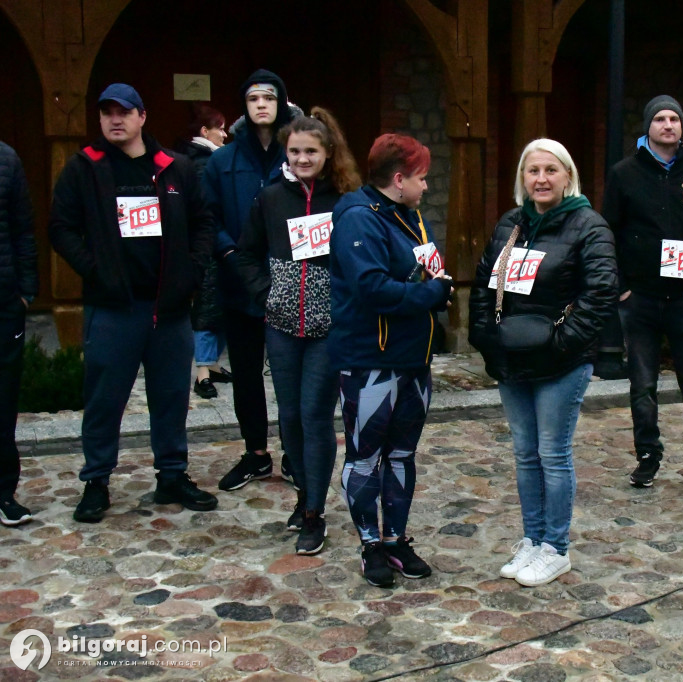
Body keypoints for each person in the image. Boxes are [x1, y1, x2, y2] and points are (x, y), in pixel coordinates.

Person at [48, 83, 218, 523]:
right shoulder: (84, 168)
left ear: (142, 116)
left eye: (123, 111)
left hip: (169, 309)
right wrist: (95, 269)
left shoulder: (175, 168)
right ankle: (97, 480)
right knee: (105, 399)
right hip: (113, 309)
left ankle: (172, 475)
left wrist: (192, 272)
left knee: (170, 397)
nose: (114, 120)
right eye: (106, 113)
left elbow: (203, 223)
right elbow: (61, 227)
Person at [469, 138, 618, 586]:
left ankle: (556, 547)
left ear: (567, 176)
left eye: (550, 170)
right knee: (524, 454)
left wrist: (561, 345)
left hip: (560, 362)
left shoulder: (589, 227)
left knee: (553, 454)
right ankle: (532, 539)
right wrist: (487, 340)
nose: (541, 179)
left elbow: (601, 294)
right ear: (522, 178)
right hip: (512, 359)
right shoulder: (510, 225)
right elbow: (483, 284)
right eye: (533, 171)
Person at [236, 108, 361, 555]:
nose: (303, 159)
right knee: (288, 416)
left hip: (330, 327)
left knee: (314, 415)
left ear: (328, 154)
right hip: (282, 324)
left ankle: (314, 511)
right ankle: (303, 495)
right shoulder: (270, 198)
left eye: (311, 151)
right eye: (295, 151)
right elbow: (244, 252)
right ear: (285, 155)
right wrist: (266, 292)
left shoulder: (347, 200)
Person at [330, 133, 451, 587]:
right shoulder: (358, 219)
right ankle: (369, 545)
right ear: (399, 180)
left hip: (413, 360)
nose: (426, 187)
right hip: (369, 361)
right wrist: (433, 292)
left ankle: (396, 539)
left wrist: (433, 287)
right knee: (365, 458)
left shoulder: (412, 218)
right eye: (422, 178)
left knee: (402, 454)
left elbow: (431, 271)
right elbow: (373, 289)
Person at [603, 95, 683, 499]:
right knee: (642, 385)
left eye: (674, 117)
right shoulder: (624, 174)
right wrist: (621, 285)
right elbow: (609, 233)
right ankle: (648, 457)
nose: (668, 124)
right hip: (639, 299)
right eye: (660, 118)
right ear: (648, 126)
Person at [204, 70, 294, 489]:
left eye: (269, 97)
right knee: (245, 374)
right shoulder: (222, 160)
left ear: (281, 104)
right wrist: (228, 252)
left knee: (290, 374)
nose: (261, 104)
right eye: (253, 97)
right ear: (244, 105)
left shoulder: (295, 156)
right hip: (239, 284)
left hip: (290, 284)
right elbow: (206, 215)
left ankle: (295, 452)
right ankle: (256, 453)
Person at [178, 104, 231, 400]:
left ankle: (211, 366)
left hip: (217, 243)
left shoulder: (207, 159)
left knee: (219, 308)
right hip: (208, 246)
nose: (224, 134)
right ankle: (202, 374)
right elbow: (205, 211)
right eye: (219, 128)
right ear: (204, 132)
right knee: (207, 309)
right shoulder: (202, 163)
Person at [0, 142, 37, 526]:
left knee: (4, 401)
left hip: (4, 302)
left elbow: (23, 227)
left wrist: (26, 292)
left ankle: (3, 492)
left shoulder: (7, 158)